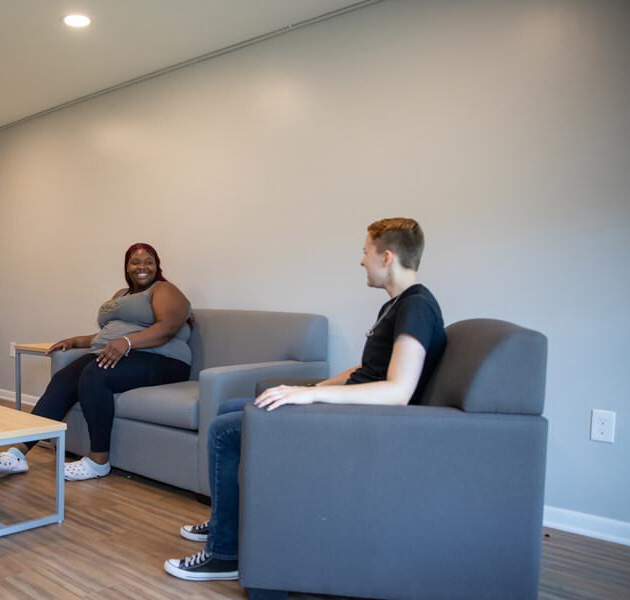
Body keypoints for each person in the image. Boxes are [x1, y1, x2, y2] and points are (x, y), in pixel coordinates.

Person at [164, 217, 447, 581]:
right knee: (230, 409)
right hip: (347, 410)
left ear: (387, 256)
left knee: (224, 430)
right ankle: (225, 521)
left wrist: (311, 399)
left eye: (365, 252)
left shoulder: (417, 307)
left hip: (365, 424)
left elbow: (398, 391)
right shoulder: (395, 306)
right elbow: (366, 368)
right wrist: (311, 391)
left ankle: (224, 554)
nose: (361, 261)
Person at [0, 242, 193, 481]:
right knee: (63, 379)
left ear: (157, 266)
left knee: (95, 375)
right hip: (123, 352)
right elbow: (110, 333)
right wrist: (76, 341)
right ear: (127, 267)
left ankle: (98, 462)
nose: (142, 266)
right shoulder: (122, 295)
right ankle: (18, 452)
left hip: (164, 359)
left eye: (149, 261)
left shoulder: (164, 290)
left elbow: (167, 328)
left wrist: (126, 342)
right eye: (135, 262)